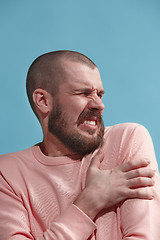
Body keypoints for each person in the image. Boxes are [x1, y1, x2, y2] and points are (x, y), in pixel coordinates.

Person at [0, 50, 160, 240]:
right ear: (43, 101)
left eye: (99, 94)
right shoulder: (7, 174)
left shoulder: (127, 140)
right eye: (83, 93)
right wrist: (88, 202)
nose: (99, 104)